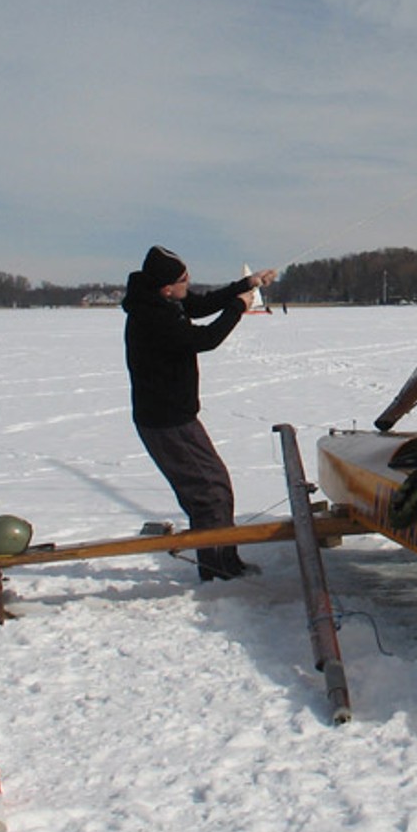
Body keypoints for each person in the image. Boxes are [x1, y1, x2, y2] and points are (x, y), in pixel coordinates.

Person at [122, 245, 278, 580]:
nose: (188, 284)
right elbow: (205, 339)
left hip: (177, 417)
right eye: (184, 280)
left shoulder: (162, 300)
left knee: (215, 486)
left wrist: (247, 283)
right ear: (166, 288)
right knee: (209, 492)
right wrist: (238, 308)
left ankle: (224, 561)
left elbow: (203, 303)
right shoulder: (154, 317)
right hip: (166, 422)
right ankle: (217, 570)